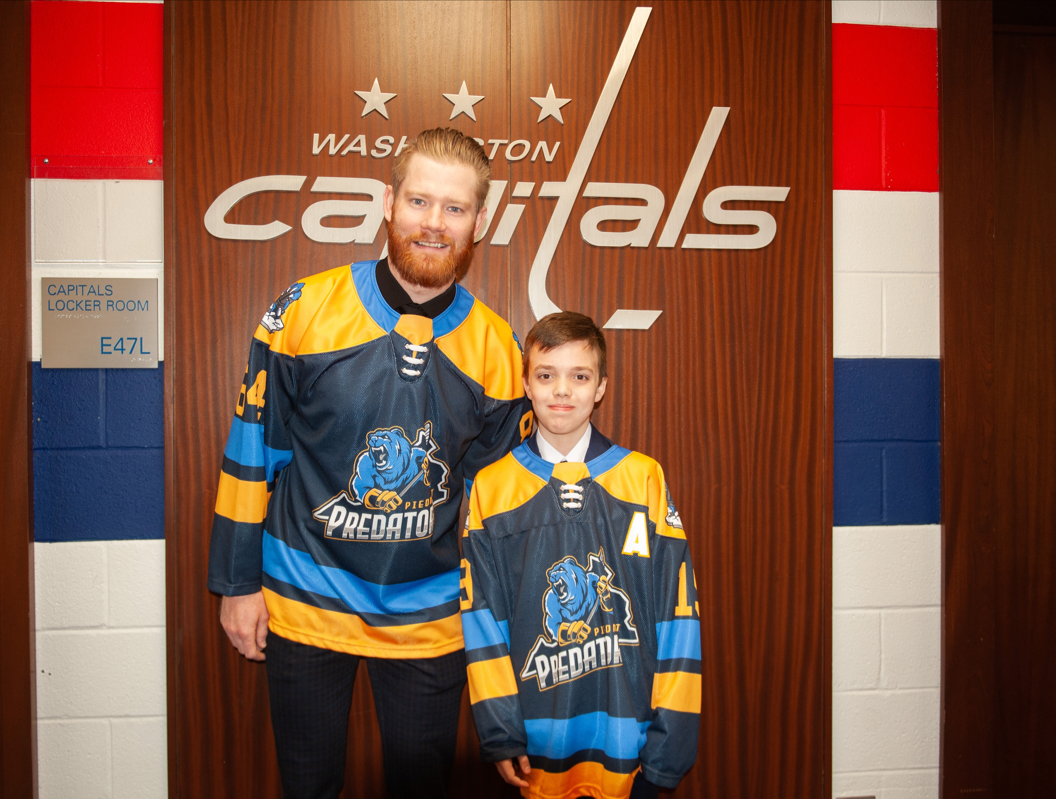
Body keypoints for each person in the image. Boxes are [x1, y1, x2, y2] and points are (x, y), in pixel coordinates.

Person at [208, 128, 531, 799]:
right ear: (388, 202)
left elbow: (498, 508)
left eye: (454, 208)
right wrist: (237, 583)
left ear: (479, 222)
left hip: (429, 616)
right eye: (419, 201)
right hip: (303, 599)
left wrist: (501, 621)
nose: (434, 223)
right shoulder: (303, 311)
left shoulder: (498, 348)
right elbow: (251, 451)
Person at [461, 312, 701, 799]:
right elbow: (483, 621)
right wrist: (500, 732)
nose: (562, 391)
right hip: (534, 749)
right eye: (546, 375)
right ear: (526, 385)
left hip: (631, 748)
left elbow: (678, 616)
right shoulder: (493, 488)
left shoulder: (643, 479)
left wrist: (669, 747)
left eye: (580, 376)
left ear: (601, 387)